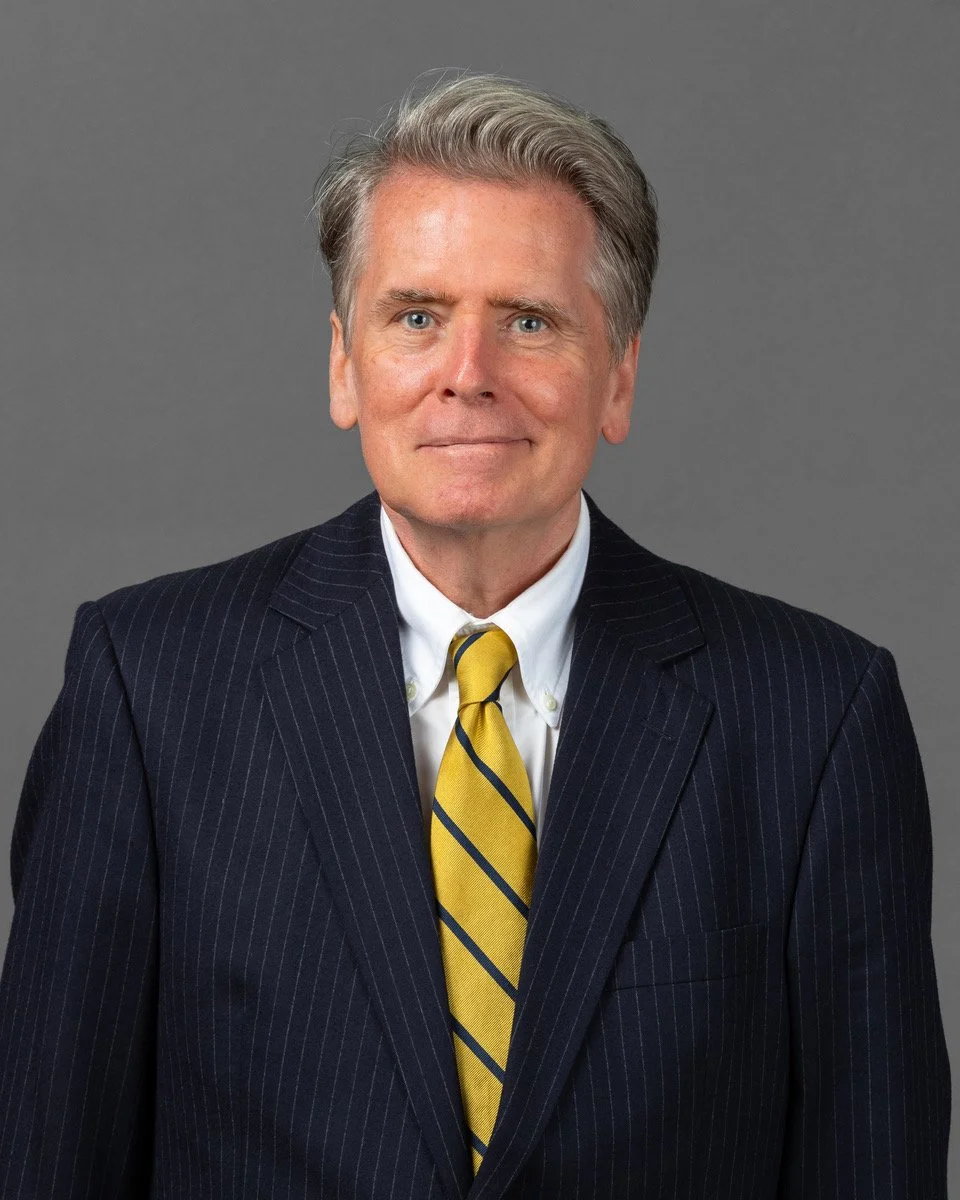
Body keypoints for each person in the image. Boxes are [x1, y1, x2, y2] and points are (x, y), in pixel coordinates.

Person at [0, 71, 950, 1199]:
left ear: (621, 374)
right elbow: (47, 1160)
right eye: (416, 318)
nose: (468, 376)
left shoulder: (816, 720)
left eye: (530, 322)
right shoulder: (148, 689)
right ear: (346, 367)